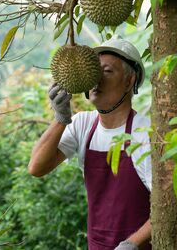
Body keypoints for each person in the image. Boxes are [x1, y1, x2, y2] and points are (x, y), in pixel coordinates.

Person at [28, 39, 152, 250]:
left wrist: (132, 243)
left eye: (107, 71)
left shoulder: (145, 132)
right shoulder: (82, 124)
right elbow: (36, 167)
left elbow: (167, 204)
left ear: (130, 81)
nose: (96, 79)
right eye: (94, 71)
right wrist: (60, 118)